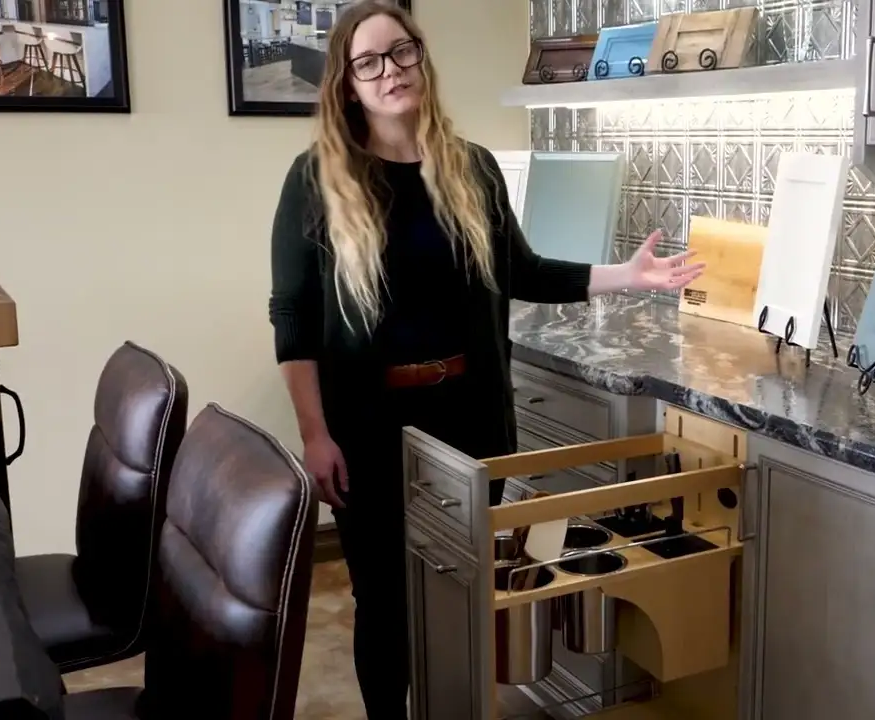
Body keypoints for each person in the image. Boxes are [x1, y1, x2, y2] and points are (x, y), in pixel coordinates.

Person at [267, 1, 704, 716]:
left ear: (421, 58)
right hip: (369, 429)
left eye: (402, 52)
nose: (391, 72)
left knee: (466, 587)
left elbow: (522, 271)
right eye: (369, 61)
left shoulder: (470, 168)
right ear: (347, 82)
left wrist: (626, 275)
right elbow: (293, 319)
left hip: (470, 419)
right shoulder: (314, 180)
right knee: (384, 599)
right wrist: (314, 433)